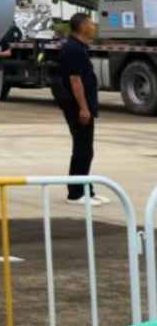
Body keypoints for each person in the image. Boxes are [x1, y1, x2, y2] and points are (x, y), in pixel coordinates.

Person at [52, 11, 107, 205]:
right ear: (82, 26)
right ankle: (75, 194)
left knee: (86, 149)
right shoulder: (73, 49)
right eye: (91, 23)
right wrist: (83, 108)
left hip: (83, 105)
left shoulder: (79, 47)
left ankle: (86, 190)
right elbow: (75, 81)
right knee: (82, 149)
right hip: (77, 106)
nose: (94, 26)